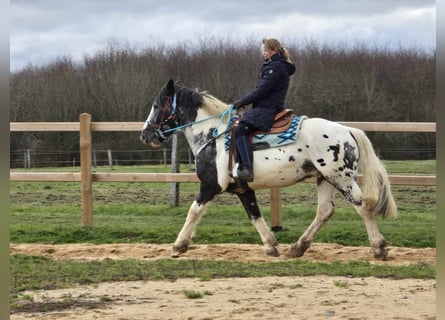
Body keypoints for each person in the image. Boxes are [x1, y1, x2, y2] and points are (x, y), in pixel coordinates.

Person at [232, 38, 296, 182]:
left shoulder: (275, 67)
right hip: (266, 106)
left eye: (266, 51)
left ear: (274, 51)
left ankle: (247, 168)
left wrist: (241, 102)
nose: (264, 54)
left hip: (267, 109)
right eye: (264, 51)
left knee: (239, 130)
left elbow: (261, 91)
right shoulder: (276, 66)